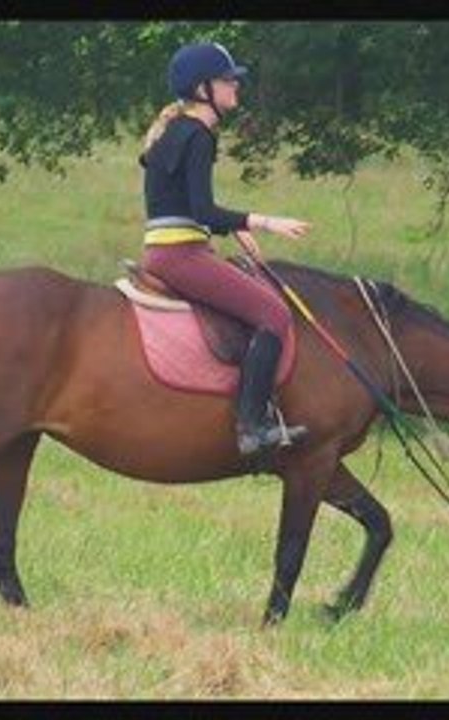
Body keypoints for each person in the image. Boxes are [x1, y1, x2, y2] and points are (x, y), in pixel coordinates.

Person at [139, 42, 311, 456]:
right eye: (227, 80)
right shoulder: (197, 134)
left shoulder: (177, 130)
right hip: (181, 256)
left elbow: (181, 205)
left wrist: (232, 230)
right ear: (203, 89)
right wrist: (264, 221)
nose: (236, 86)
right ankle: (252, 426)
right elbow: (203, 209)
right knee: (273, 314)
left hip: (169, 248)